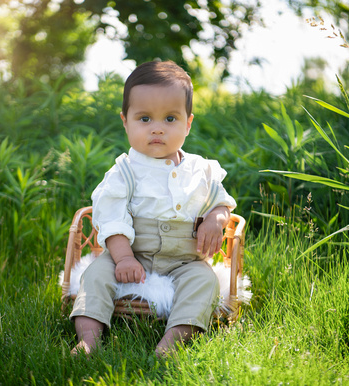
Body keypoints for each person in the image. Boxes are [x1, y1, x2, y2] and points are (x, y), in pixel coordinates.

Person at [70, 60, 236, 357]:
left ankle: (172, 341)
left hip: (184, 260)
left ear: (188, 123)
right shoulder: (125, 171)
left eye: (170, 119)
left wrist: (215, 219)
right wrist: (122, 258)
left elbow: (221, 201)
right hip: (132, 252)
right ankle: (88, 339)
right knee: (95, 274)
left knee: (204, 280)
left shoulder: (202, 169)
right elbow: (111, 217)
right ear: (126, 121)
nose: (157, 129)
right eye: (144, 119)